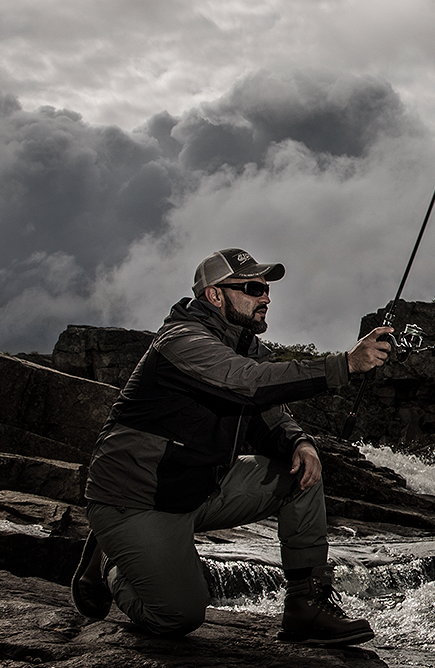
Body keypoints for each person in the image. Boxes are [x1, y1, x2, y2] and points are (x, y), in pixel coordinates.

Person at [70, 247, 395, 646]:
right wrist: (345, 364)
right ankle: (109, 561)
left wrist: (299, 442)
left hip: (198, 488)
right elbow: (249, 381)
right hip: (137, 499)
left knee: (303, 475)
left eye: (266, 288)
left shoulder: (243, 344)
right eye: (253, 287)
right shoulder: (182, 341)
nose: (266, 297)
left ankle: (305, 608)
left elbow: (267, 412)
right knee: (178, 616)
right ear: (215, 295)